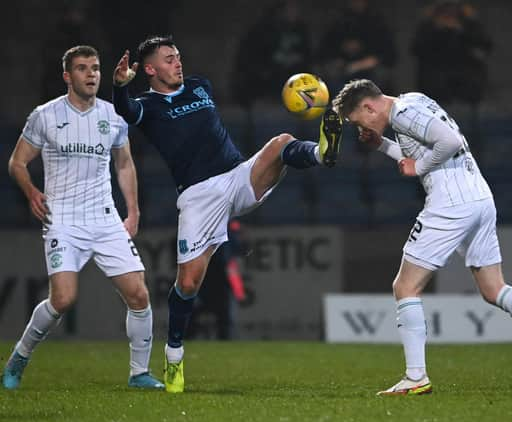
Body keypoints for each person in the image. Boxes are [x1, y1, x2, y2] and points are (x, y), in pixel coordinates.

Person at [112, 36, 342, 393]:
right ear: (150, 69)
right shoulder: (146, 106)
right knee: (188, 284)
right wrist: (119, 87)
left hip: (236, 177)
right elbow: (126, 112)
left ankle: (321, 153)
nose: (178, 63)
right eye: (169, 59)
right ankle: (174, 358)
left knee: (281, 143)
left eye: (178, 56)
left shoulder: (199, 86)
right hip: (199, 196)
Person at [331, 79, 512, 395]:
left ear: (369, 106)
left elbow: (449, 141)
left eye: (358, 120)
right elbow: (419, 151)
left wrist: (419, 166)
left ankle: (416, 377)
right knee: (493, 289)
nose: (359, 126)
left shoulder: (402, 113)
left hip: (451, 202)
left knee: (405, 287)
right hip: (479, 198)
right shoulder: (414, 100)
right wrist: (380, 144)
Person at [2, 46, 163, 390]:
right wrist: (32, 192)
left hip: (104, 218)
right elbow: (17, 163)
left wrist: (132, 211)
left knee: (138, 295)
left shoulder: (113, 115)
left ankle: (139, 373)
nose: (91, 74)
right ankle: (20, 355)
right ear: (67, 77)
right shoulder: (45, 115)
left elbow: (124, 164)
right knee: (62, 300)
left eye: (95, 68)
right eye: (82, 68)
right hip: (62, 218)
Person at [411, 0, 492, 106]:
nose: (449, 11)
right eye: (446, 7)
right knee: (434, 82)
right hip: (436, 75)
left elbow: (485, 46)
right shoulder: (429, 26)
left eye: (453, 7)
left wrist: (461, 29)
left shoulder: (469, 25)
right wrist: (437, 29)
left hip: (466, 74)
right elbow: (416, 49)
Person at [232, 0, 312, 106]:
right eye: (290, 9)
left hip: (292, 77)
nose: (294, 13)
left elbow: (307, 54)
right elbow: (253, 58)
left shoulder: (300, 30)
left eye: (295, 9)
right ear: (280, 11)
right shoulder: (264, 30)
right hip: (267, 77)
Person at [316, 0, 396, 95]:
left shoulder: (376, 23)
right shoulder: (339, 22)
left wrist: (361, 64)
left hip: (370, 75)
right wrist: (337, 61)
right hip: (342, 75)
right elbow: (323, 52)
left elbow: (388, 54)